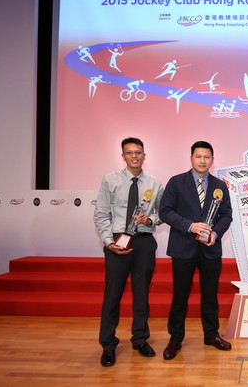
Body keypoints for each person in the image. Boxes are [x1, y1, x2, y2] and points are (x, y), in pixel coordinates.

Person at [159, 141, 233, 360]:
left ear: (212, 159)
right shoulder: (176, 182)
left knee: (210, 296)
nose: (202, 161)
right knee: (179, 297)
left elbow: (227, 214)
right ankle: (175, 339)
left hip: (210, 248)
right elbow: (165, 211)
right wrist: (190, 226)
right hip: (183, 247)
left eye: (207, 157)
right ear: (191, 158)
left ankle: (211, 335)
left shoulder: (220, 185)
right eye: (198, 156)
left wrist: (215, 233)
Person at [93, 137, 164, 367]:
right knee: (112, 295)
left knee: (141, 294)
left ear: (145, 155)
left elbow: (164, 213)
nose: (134, 156)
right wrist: (107, 242)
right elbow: (101, 214)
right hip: (118, 242)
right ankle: (108, 345)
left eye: (138, 152)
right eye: (129, 152)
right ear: (122, 156)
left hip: (143, 242)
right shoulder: (110, 180)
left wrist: (150, 218)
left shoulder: (154, 183)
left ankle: (140, 339)